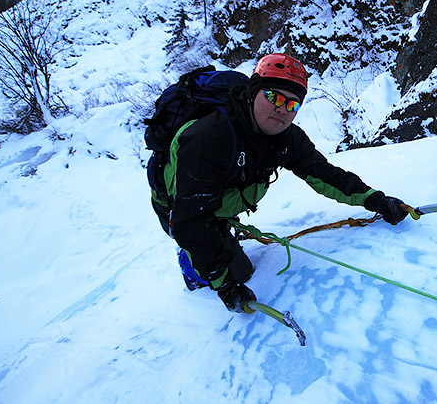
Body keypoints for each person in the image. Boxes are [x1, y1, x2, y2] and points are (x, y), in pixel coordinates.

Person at [151, 53, 408, 312]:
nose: (282, 109)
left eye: (292, 105)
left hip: (217, 203)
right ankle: (189, 264)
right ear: (253, 93)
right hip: (180, 209)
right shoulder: (209, 138)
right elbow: (191, 221)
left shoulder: (286, 138)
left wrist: (376, 200)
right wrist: (224, 284)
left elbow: (325, 174)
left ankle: (217, 237)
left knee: (230, 260)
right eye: (274, 97)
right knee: (232, 271)